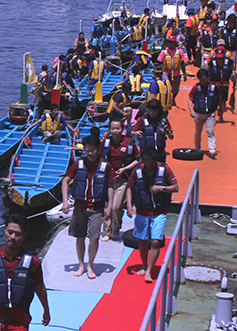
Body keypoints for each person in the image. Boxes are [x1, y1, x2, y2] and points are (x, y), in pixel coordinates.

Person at [61, 131, 114, 279]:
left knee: (94, 238)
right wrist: (65, 201)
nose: (90, 153)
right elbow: (65, 180)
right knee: (80, 237)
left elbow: (110, 186)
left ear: (98, 149)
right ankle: (81, 265)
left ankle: (90, 265)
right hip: (80, 207)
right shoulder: (79, 163)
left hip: (96, 208)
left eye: (93, 150)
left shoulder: (105, 165)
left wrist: (109, 206)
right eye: (87, 150)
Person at [126, 147, 179, 283]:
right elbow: (129, 187)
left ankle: (149, 270)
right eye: (147, 162)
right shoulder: (137, 171)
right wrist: (129, 205)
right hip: (142, 212)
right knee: (143, 241)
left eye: (151, 162)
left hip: (159, 212)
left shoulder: (165, 169)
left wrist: (161, 188)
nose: (149, 165)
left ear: (156, 160)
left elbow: (175, 187)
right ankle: (144, 266)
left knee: (155, 241)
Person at [100, 117, 139, 242]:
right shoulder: (106, 143)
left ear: (122, 129)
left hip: (122, 180)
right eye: (113, 129)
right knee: (107, 206)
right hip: (108, 180)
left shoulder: (129, 143)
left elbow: (137, 160)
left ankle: (115, 228)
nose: (115, 131)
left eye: (118, 128)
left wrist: (125, 169)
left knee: (116, 207)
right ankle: (107, 231)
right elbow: (99, 157)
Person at [188, 68, 220, 158]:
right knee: (198, 131)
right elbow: (190, 99)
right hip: (199, 114)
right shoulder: (196, 88)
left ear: (208, 78)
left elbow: (219, 97)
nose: (204, 82)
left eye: (205, 79)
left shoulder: (214, 87)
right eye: (201, 80)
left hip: (210, 113)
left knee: (210, 131)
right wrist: (191, 111)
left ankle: (212, 150)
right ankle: (197, 147)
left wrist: (220, 109)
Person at [207, 41, 234, 122]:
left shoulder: (228, 61)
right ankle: (213, 115)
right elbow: (207, 70)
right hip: (215, 84)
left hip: (225, 84)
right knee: (214, 100)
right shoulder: (212, 62)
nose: (219, 59)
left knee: (223, 101)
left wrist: (233, 77)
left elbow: (232, 70)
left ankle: (221, 114)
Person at [157, 36, 188, 105]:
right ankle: (167, 101)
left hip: (176, 73)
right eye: (169, 42)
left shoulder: (179, 51)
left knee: (175, 89)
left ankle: (173, 98)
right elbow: (159, 62)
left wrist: (184, 74)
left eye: (173, 42)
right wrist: (159, 74)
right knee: (166, 88)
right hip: (166, 73)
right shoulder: (164, 52)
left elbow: (182, 63)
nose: (171, 44)